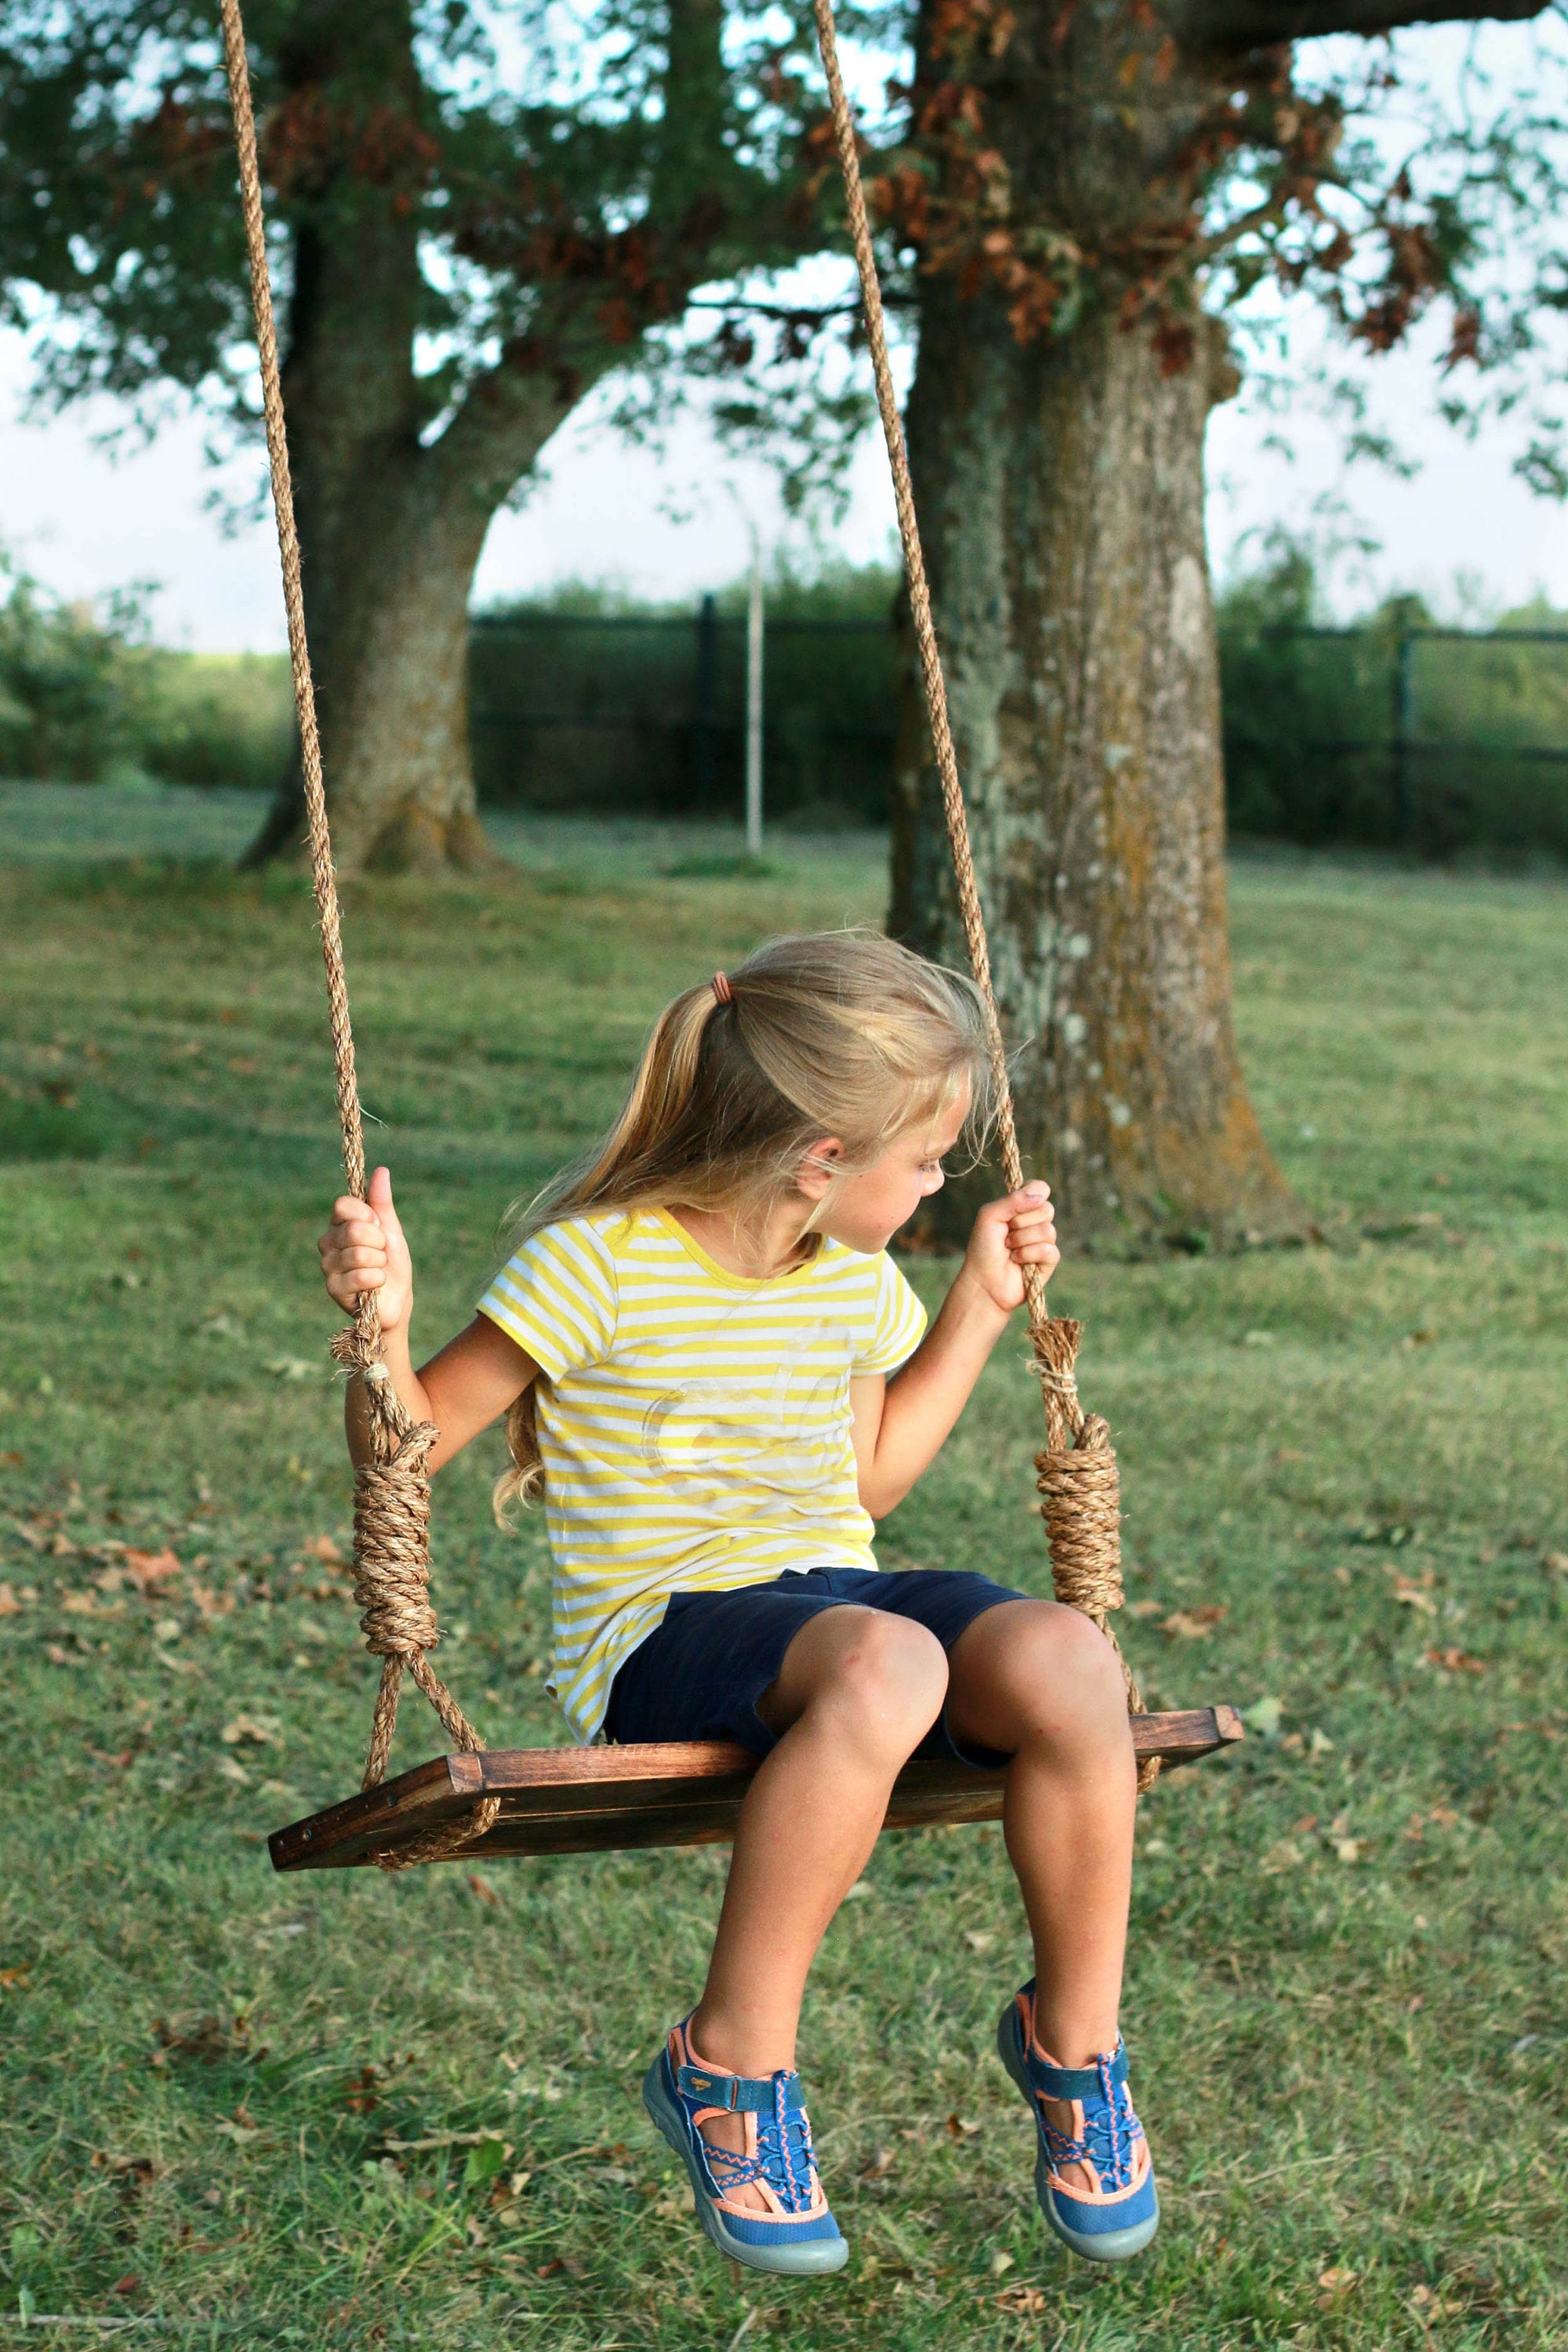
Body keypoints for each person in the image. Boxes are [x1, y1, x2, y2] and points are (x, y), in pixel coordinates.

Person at [318, 931, 1156, 2279]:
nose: (943, 1183)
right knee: (886, 1667)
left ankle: (1077, 2053)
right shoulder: (592, 1266)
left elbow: (871, 1474)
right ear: (823, 1158)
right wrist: (383, 1326)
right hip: (665, 1635)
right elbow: (405, 1447)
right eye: (927, 1159)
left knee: (1065, 1658)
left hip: (837, 1600)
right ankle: (729, 2070)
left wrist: (983, 1307)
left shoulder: (854, 1280)